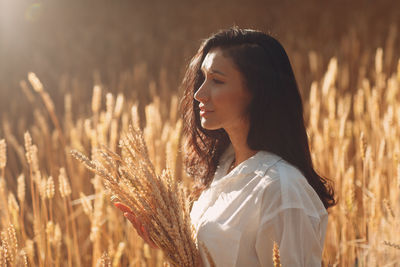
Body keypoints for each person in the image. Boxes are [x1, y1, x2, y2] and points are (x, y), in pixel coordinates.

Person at [115, 26, 336, 266]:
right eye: (203, 78)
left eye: (217, 81)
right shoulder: (224, 167)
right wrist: (172, 242)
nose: (199, 93)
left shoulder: (281, 188)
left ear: (257, 92)